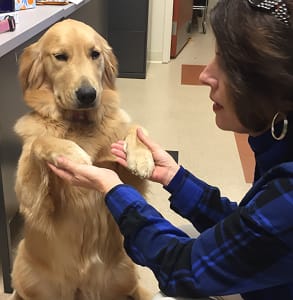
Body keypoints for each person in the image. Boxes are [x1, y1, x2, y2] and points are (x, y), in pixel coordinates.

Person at [48, 0, 293, 299]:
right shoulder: (280, 138)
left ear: (273, 82)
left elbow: (184, 271)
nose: (205, 75)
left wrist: (113, 189)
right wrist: (176, 178)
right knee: (184, 233)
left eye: (226, 63)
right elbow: (249, 229)